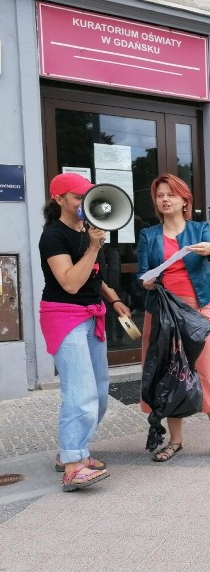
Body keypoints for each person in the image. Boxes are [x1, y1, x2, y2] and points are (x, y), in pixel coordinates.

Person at [39, 173, 130, 491]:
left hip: (93, 318)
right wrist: (93, 246)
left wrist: (115, 299)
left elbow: (92, 277)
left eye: (87, 197)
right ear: (59, 199)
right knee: (80, 394)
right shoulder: (53, 236)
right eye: (78, 198)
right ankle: (74, 465)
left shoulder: (86, 232)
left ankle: (72, 451)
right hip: (65, 318)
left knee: (100, 395)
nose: (84, 204)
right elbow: (70, 282)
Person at [137, 174, 210, 464]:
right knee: (169, 375)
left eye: (171, 195)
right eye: (160, 195)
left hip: (197, 312)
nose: (165, 199)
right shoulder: (148, 235)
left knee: (208, 373)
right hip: (163, 313)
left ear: (184, 200)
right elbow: (141, 275)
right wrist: (147, 282)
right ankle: (176, 440)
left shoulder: (199, 228)